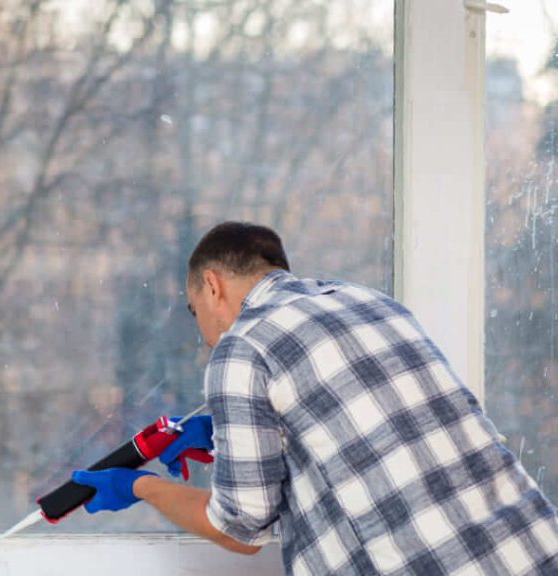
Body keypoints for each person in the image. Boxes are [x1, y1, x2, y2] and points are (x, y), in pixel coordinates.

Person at [71, 221, 558, 574]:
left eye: (195, 310)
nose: (204, 337)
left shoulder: (242, 347)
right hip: (531, 549)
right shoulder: (370, 302)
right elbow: (366, 428)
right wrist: (226, 432)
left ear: (212, 286)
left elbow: (240, 528)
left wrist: (138, 488)